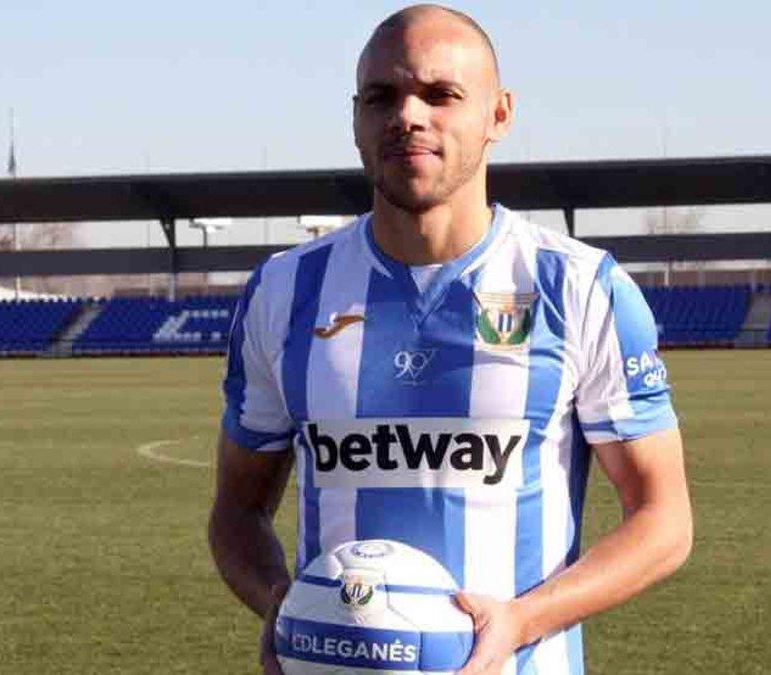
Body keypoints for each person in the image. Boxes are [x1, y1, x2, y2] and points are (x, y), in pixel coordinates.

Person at [208, 5, 693, 674]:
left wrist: (523, 619)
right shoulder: (282, 293)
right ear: (355, 119)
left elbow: (664, 521)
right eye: (382, 96)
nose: (408, 115)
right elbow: (236, 508)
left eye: (440, 94)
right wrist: (279, 603)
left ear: (499, 114)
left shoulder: (581, 288)